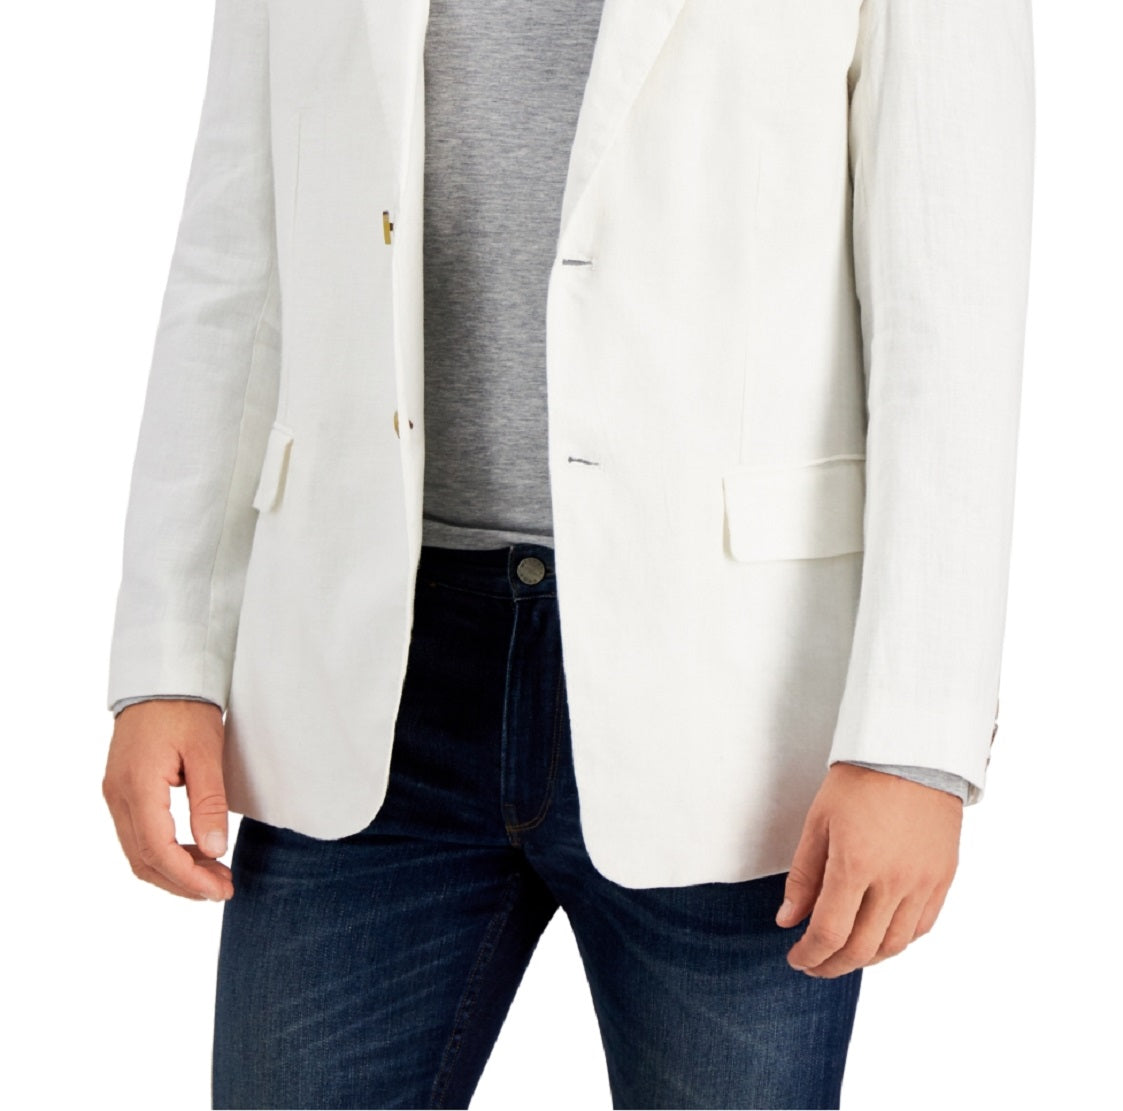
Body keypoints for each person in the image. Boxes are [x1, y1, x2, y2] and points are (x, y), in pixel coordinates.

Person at [101, 2, 1035, 1108]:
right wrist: (169, 657)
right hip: (362, 678)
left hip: (737, 702)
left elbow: (948, 316)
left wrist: (915, 744)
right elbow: (235, 260)